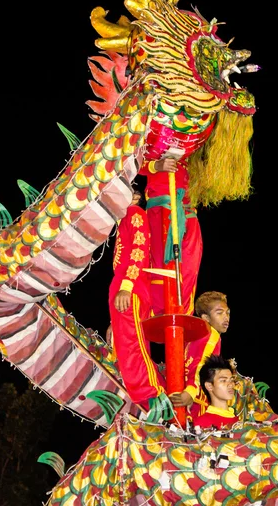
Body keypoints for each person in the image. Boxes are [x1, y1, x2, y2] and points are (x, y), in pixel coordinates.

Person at [108, 189, 167, 411]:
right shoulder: (124, 219)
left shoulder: (135, 212)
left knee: (133, 345)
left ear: (134, 197)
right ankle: (144, 399)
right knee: (127, 345)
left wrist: (127, 286)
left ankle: (154, 396)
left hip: (129, 286)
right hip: (125, 286)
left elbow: (139, 251)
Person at [139, 155, 203, 316]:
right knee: (163, 261)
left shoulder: (195, 142)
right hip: (162, 208)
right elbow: (129, 161)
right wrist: (155, 166)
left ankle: (183, 311)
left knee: (190, 264)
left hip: (189, 210)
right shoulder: (153, 134)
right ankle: (162, 310)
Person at [169, 291, 230, 421]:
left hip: (177, 386)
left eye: (228, 313)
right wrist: (191, 392)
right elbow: (200, 365)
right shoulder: (212, 335)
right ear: (206, 318)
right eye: (219, 313)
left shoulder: (194, 334)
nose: (226, 317)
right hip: (193, 396)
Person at [194, 354, 239, 429]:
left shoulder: (239, 422)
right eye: (223, 380)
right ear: (209, 386)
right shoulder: (202, 424)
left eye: (231, 380)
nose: (231, 385)